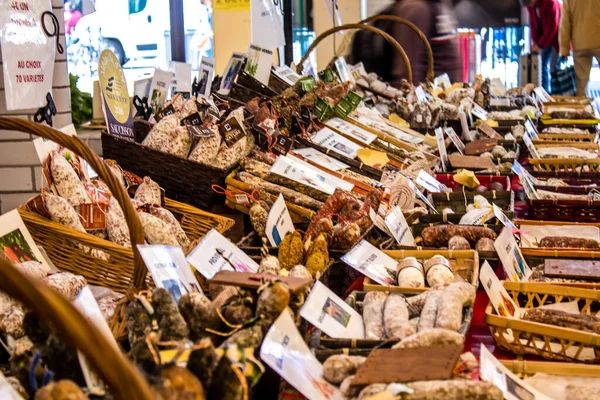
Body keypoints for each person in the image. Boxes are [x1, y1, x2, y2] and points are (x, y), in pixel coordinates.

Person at [389, 0, 461, 86]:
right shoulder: (416, 8)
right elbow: (407, 70)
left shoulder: (438, 4)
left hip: (444, 93)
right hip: (430, 95)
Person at [559, 0, 600, 96]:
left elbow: (564, 23)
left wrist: (564, 48)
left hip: (580, 43)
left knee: (581, 85)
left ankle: (585, 109)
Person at [523, 0, 561, 93]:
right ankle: (545, 93)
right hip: (545, 38)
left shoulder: (550, 2)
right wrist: (535, 43)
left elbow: (553, 26)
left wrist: (540, 44)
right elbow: (533, 25)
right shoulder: (531, 6)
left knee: (554, 67)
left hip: (558, 38)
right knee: (541, 64)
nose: (530, 5)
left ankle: (557, 94)